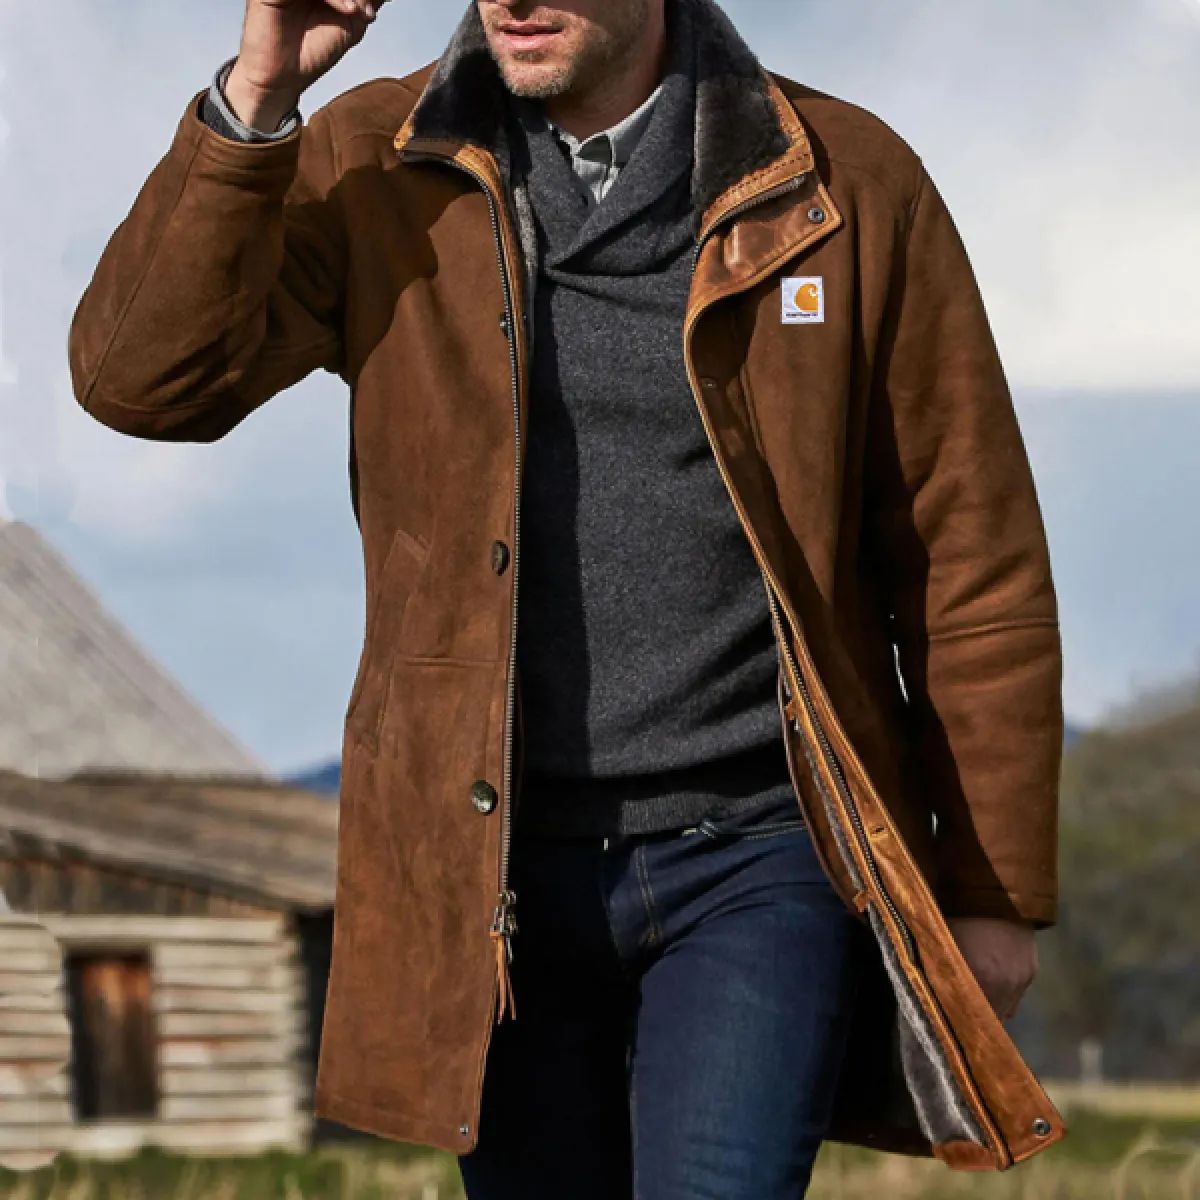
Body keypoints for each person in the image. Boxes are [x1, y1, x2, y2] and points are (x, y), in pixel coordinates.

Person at [68, 0, 1066, 1194]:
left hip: (761, 850)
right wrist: (259, 98)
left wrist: (994, 891)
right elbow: (144, 383)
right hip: (492, 868)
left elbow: (970, 554)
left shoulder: (844, 178)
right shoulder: (374, 159)